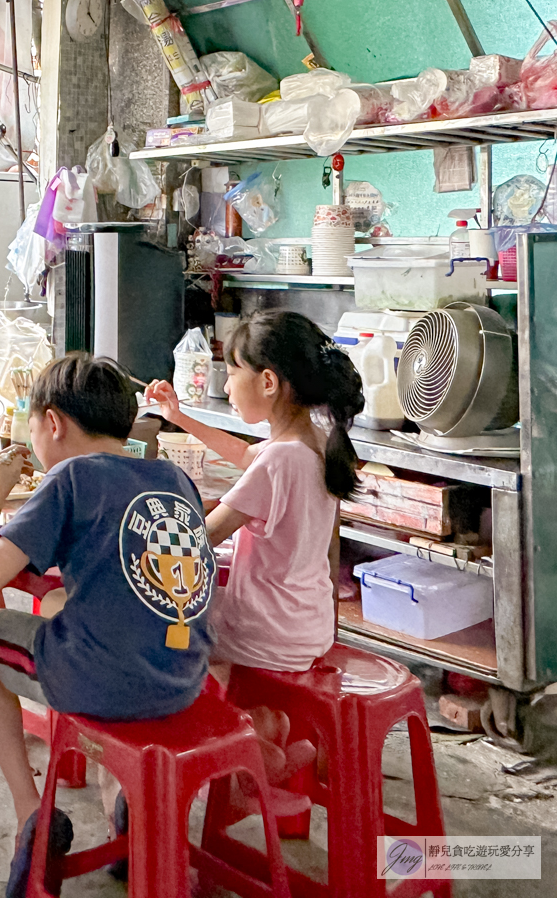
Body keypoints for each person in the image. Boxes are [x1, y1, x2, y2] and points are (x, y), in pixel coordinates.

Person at [0, 353, 214, 889]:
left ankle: (30, 809)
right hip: (185, 678)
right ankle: (129, 803)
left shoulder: (70, 478)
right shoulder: (172, 475)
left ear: (52, 423)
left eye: (32, 430)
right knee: (90, 619)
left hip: (105, 681)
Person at [145, 310, 362, 785]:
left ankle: (238, 758)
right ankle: (267, 730)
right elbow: (247, 455)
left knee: (169, 634)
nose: (227, 383)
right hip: (310, 628)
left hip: (265, 632)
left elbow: (198, 539)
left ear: (267, 381)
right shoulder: (315, 444)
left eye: (234, 370)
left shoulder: (279, 463)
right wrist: (177, 416)